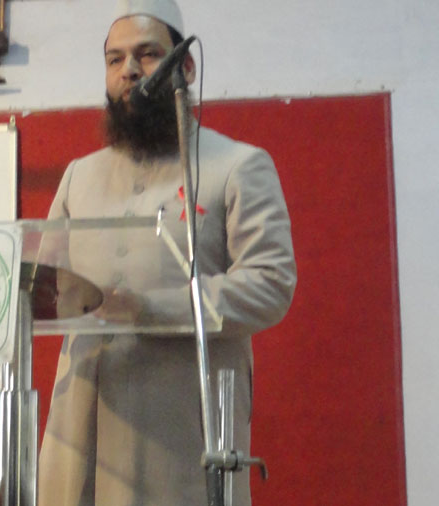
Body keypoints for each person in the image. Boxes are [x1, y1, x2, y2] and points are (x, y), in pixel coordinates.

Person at [37, 0, 297, 504]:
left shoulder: (237, 165)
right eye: (114, 59)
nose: (129, 70)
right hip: (79, 431)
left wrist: (150, 307)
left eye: (148, 54)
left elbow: (270, 285)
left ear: (187, 66)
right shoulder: (78, 176)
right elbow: (44, 291)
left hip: (181, 436)